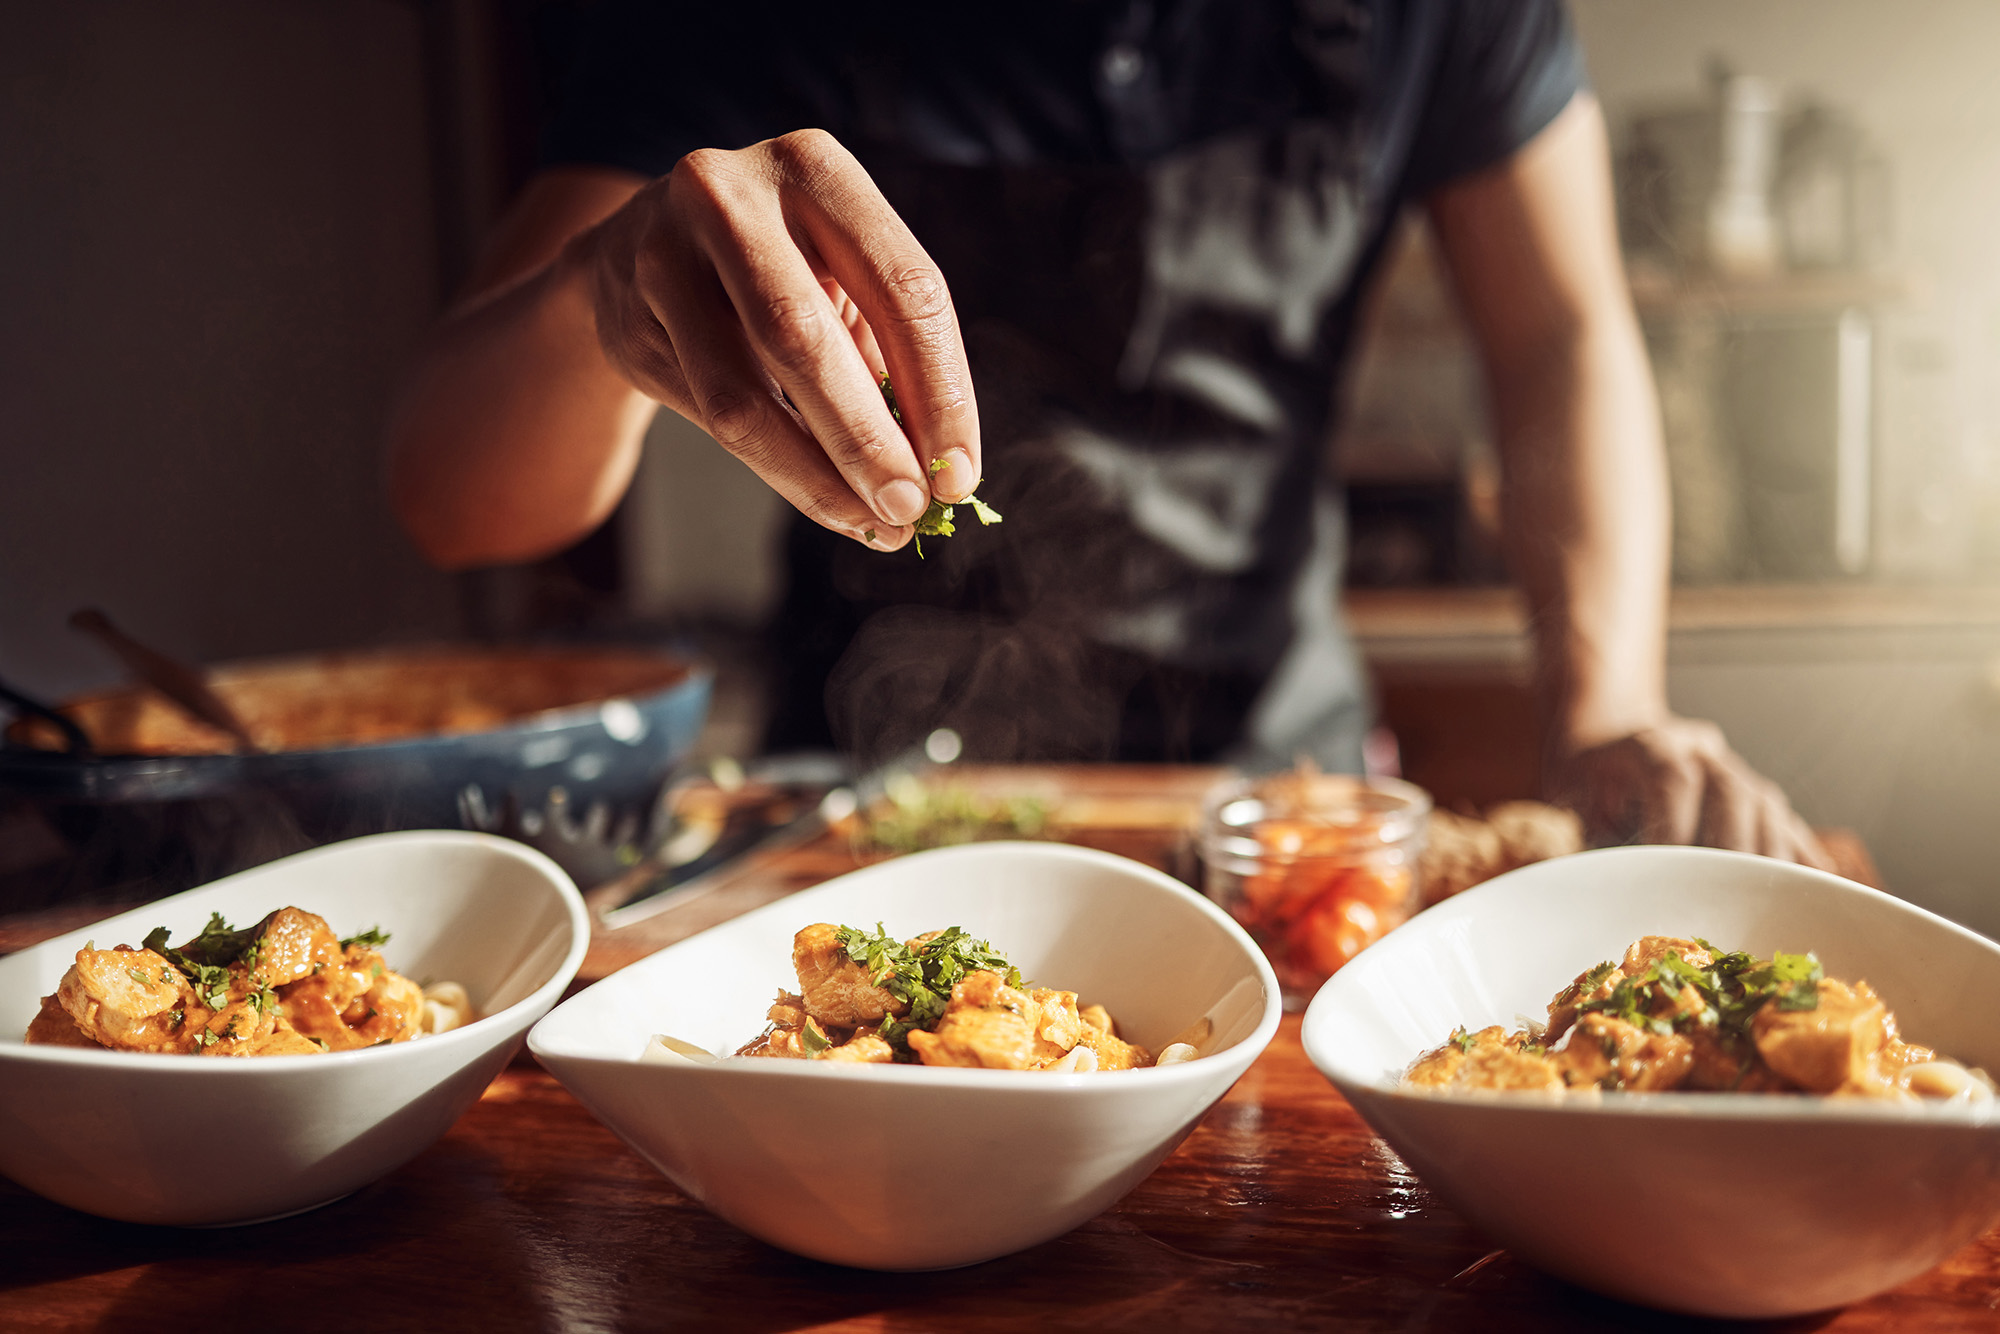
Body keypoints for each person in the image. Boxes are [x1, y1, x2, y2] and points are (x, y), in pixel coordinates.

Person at [386, 1, 1831, 867]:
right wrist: (600, 300)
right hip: (876, 816)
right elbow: (455, 504)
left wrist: (1605, 705)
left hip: (1289, 806)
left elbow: (1559, 338)